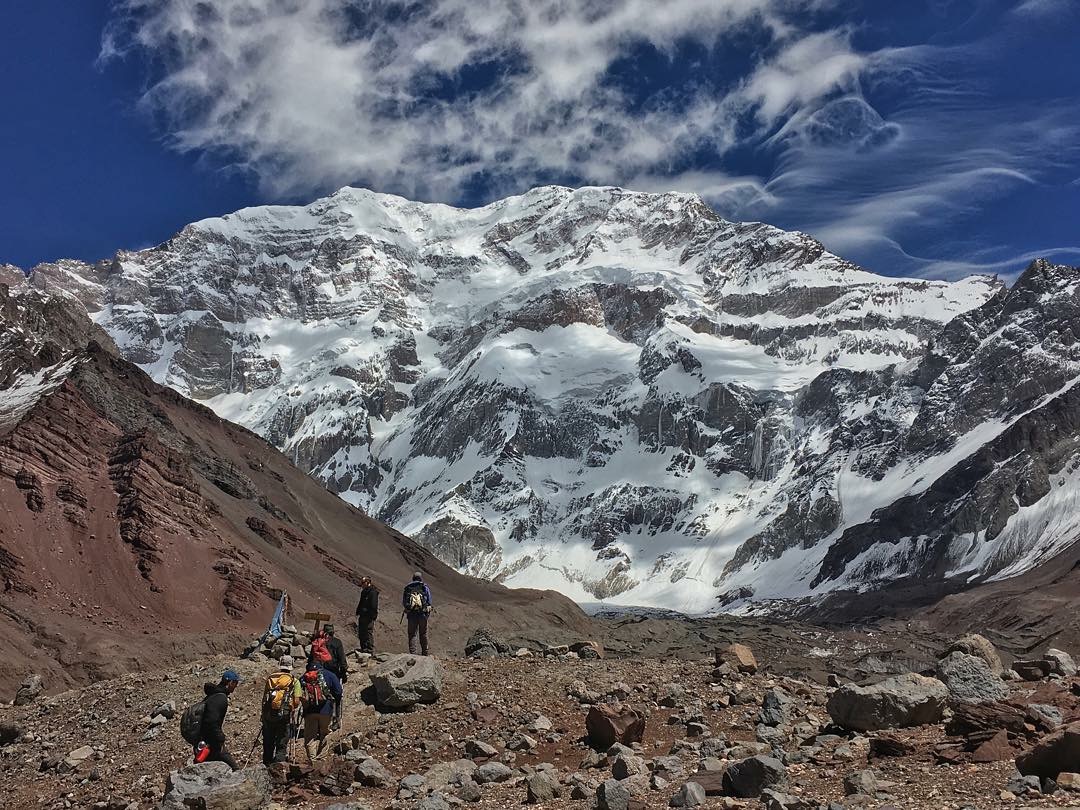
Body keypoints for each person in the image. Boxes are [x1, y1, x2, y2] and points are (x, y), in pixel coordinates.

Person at [261, 655, 301, 765]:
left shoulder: (271, 678)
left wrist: (263, 715)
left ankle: (266, 766)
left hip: (269, 715)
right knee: (281, 742)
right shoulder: (294, 681)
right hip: (284, 715)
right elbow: (296, 701)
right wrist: (292, 707)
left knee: (268, 742)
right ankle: (278, 767)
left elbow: (265, 698)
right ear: (291, 665)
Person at [300, 660, 342, 763]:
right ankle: (322, 758)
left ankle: (312, 759)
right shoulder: (329, 675)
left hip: (309, 711)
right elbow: (338, 691)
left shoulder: (304, 677)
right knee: (325, 733)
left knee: (310, 736)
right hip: (326, 710)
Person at [201, 670, 241, 770]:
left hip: (205, 740)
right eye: (235, 683)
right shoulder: (220, 698)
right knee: (233, 767)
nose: (236, 686)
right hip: (212, 742)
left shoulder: (213, 695)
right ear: (230, 682)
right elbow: (211, 721)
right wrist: (220, 737)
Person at [321, 623, 348, 730]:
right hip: (334, 673)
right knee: (337, 696)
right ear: (333, 632)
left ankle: (323, 721)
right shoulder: (337, 642)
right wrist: (344, 672)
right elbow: (342, 659)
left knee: (324, 695)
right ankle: (336, 720)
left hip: (321, 673)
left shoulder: (320, 642)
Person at [402, 572, 433, 656]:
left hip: (412, 615)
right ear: (420, 578)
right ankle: (425, 653)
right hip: (422, 614)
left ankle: (413, 654)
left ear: (413, 578)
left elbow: (404, 602)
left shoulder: (408, 588)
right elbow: (429, 601)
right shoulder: (424, 587)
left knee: (412, 634)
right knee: (423, 633)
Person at [355, 576, 379, 654]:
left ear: (367, 582)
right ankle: (363, 648)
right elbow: (361, 602)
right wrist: (358, 611)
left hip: (369, 615)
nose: (361, 585)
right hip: (362, 615)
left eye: (363, 583)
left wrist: (372, 615)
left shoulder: (373, 592)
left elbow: (374, 605)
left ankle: (369, 649)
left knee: (368, 632)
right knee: (361, 632)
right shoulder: (364, 592)